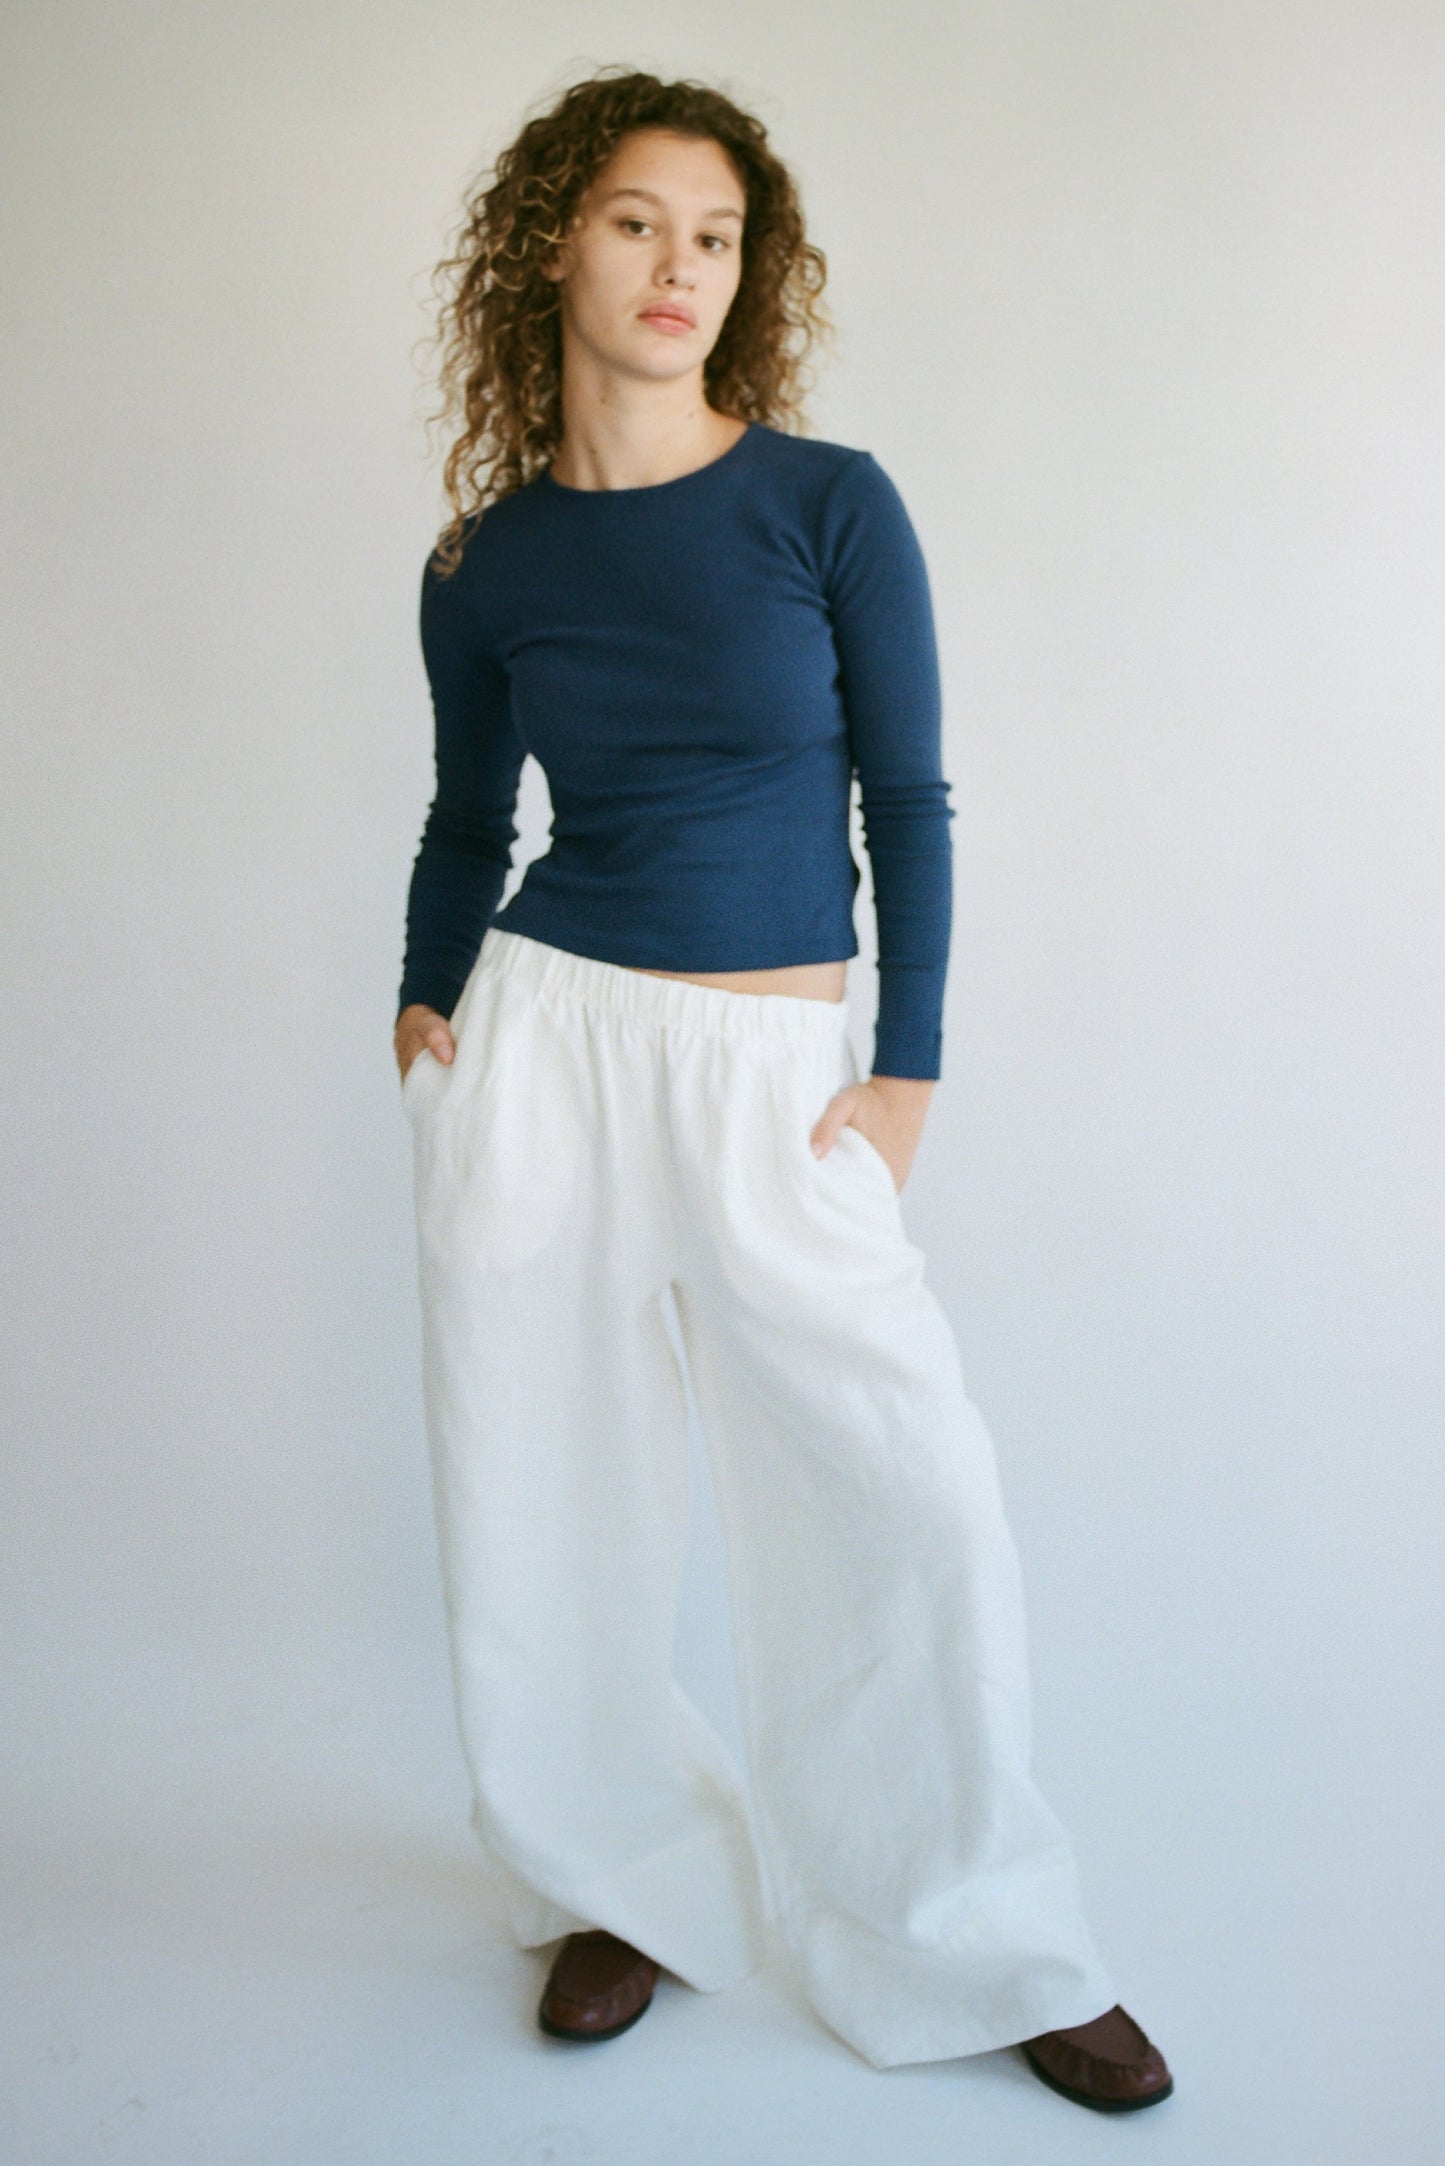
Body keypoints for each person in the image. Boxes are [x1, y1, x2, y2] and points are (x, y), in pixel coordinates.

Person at [394, 67, 1174, 2114]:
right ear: (556, 240)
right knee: (546, 1494)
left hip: (773, 1068)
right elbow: (471, 816)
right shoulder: (482, 563)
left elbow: (904, 799)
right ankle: (617, 1879)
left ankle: (976, 1928)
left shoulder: (830, 505)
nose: (682, 268)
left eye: (719, 234)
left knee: (900, 1492)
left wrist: (904, 1072)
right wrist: (422, 1009)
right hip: (548, 1050)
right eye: (641, 221)